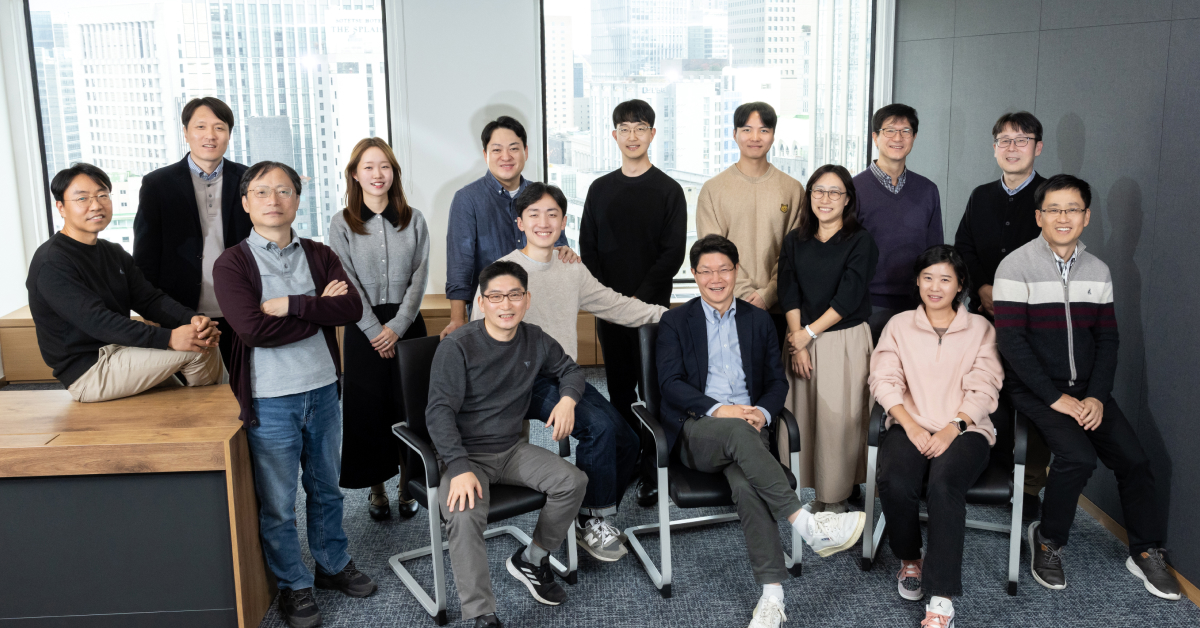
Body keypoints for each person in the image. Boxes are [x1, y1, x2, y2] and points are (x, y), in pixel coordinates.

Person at [657, 235, 866, 628]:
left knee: (747, 485)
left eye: (724, 269)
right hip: (699, 430)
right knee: (735, 431)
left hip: (752, 430)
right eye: (706, 271)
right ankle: (807, 524)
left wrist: (765, 414)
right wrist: (724, 410)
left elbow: (776, 381)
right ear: (694, 275)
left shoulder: (757, 321)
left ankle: (772, 595)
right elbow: (670, 383)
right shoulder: (675, 321)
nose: (715, 278)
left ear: (736, 272)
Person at [993, 174, 1181, 600]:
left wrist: (1096, 395)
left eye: (1073, 209)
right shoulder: (1015, 266)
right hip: (1035, 390)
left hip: (1088, 390)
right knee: (1077, 458)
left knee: (1135, 461)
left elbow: (1108, 339)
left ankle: (1146, 550)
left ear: (1087, 216)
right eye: (1054, 209)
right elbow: (1012, 342)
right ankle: (1048, 540)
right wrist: (1055, 397)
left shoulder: (1099, 269)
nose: (1064, 217)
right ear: (1039, 215)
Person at [214, 162, 376, 628]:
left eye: (283, 190)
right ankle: (294, 585)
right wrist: (319, 309)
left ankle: (331, 565)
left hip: (324, 390)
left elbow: (348, 307)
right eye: (261, 191)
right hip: (271, 399)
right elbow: (253, 330)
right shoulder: (233, 263)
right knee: (279, 502)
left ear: (296, 200)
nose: (273, 199)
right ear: (245, 202)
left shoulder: (320, 253)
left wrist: (292, 304)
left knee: (326, 489)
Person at [471, 182, 664, 561]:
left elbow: (614, 305)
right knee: (600, 428)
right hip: (520, 381)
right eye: (534, 215)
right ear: (520, 223)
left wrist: (668, 316)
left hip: (565, 376)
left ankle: (586, 511)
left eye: (552, 214)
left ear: (562, 221)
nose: (544, 222)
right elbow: (480, 336)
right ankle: (594, 518)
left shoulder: (571, 269)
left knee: (626, 439)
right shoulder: (503, 272)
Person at [428, 261, 589, 628]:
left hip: (511, 449)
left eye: (514, 295)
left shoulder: (534, 338)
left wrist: (567, 400)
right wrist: (458, 466)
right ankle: (481, 612)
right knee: (465, 513)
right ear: (482, 302)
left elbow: (571, 371)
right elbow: (437, 414)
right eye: (496, 296)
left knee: (572, 481)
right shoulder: (458, 347)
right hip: (465, 455)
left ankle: (532, 558)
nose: (506, 304)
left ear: (527, 299)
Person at [869, 245, 1005, 628]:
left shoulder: (981, 329)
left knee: (945, 487)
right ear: (917, 281)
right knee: (894, 480)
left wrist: (953, 427)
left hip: (966, 429)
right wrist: (910, 424)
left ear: (960, 285)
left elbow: (986, 387)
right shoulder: (898, 325)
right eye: (927, 277)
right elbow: (883, 379)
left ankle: (942, 596)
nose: (935, 286)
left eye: (945, 279)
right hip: (910, 422)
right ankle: (911, 558)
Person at [26, 163, 222, 402]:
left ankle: (211, 423)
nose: (96, 205)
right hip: (90, 369)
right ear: (61, 207)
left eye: (102, 195)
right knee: (199, 350)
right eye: (82, 199)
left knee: (201, 340)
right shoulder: (52, 261)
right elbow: (97, 321)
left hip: (124, 352)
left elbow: (149, 299)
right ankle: (219, 419)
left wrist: (191, 319)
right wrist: (169, 338)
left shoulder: (111, 251)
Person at [580, 99, 687, 507]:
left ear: (652, 134)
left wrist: (634, 302)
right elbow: (588, 248)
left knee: (655, 392)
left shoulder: (668, 190)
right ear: (614, 136)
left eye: (640, 128)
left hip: (652, 314)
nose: (632, 136)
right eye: (624, 129)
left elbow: (671, 254)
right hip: (608, 311)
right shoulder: (599, 189)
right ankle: (625, 465)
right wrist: (611, 302)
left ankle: (652, 472)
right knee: (619, 390)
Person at [954, 111, 1052, 522]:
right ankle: (980, 469)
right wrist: (981, 288)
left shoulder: (1052, 195)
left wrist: (1010, 296)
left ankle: (1028, 488)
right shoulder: (981, 195)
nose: (1012, 148)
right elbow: (964, 247)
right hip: (984, 316)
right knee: (981, 391)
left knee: (1030, 399)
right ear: (995, 148)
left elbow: (1056, 255)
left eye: (1022, 140)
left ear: (1038, 147)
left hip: (1034, 324)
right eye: (1004, 141)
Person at [327, 138, 430, 522]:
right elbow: (345, 279)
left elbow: (419, 277)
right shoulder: (341, 223)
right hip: (361, 329)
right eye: (368, 167)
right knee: (368, 411)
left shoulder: (414, 219)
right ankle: (376, 489)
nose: (377, 174)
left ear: (394, 173)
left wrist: (398, 326)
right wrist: (374, 330)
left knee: (409, 408)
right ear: (355, 174)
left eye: (384, 166)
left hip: (407, 328)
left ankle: (407, 487)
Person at [779, 164, 879, 513]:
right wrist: (796, 339)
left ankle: (836, 499)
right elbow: (787, 290)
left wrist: (806, 335)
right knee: (805, 420)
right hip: (800, 339)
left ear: (847, 199)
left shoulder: (860, 240)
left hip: (843, 341)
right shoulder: (795, 239)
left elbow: (848, 297)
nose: (825, 199)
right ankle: (816, 494)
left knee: (839, 422)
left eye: (835, 192)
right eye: (818, 191)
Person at [134, 97, 250, 370]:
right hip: (182, 314)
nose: (210, 135)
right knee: (190, 401)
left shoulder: (249, 179)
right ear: (185, 133)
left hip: (240, 308)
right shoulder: (157, 184)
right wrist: (152, 310)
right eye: (200, 127)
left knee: (244, 388)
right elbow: (145, 255)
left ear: (229, 134)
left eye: (219, 128)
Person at [442, 116, 577, 339]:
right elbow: (460, 265)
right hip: (493, 315)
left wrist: (565, 251)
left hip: (542, 310)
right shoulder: (467, 199)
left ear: (525, 151)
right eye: (497, 150)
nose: (506, 156)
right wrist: (457, 319)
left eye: (514, 148)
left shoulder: (543, 195)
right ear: (485, 154)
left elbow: (558, 248)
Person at [696, 101, 803, 344]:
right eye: (746, 129)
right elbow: (712, 254)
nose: (755, 137)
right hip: (726, 305)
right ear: (734, 134)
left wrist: (768, 294)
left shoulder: (793, 189)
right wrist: (743, 293)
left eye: (764, 130)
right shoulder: (713, 189)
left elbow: (795, 253)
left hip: (779, 308)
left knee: (775, 379)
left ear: (773, 135)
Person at [854, 103, 943, 342]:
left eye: (905, 131)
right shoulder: (853, 189)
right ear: (875, 137)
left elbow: (936, 252)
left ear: (914, 137)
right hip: (865, 307)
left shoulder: (928, 190)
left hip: (916, 307)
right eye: (889, 130)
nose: (898, 137)